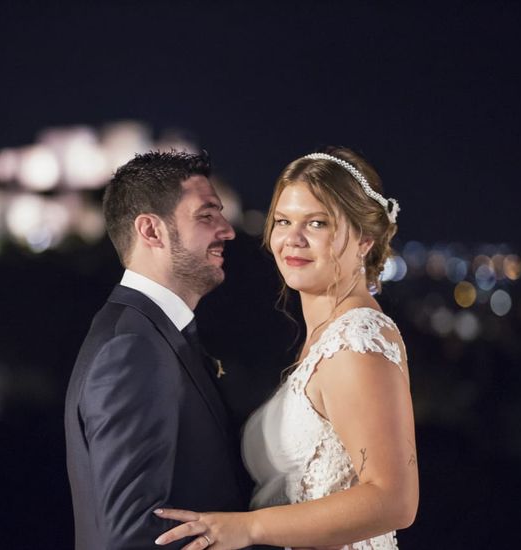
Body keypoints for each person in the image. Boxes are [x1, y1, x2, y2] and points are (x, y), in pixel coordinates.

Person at [155, 146, 418, 549]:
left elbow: (394, 499)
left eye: (316, 223)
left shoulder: (357, 340)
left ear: (364, 239)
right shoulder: (325, 339)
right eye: (282, 221)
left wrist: (249, 528)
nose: (292, 239)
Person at [64, 150, 250, 550]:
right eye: (206, 215)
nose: (228, 230)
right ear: (151, 230)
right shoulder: (132, 349)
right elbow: (132, 537)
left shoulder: (148, 333)